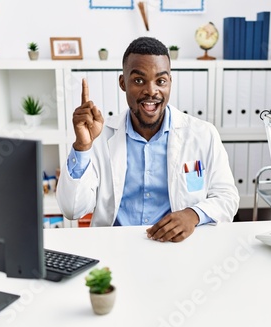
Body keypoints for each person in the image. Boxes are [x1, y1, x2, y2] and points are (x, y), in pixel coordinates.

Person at [56, 36, 239, 242]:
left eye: (160, 81)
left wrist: (193, 214)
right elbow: (72, 210)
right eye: (139, 80)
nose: (151, 91)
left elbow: (227, 198)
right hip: (115, 246)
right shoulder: (99, 136)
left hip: (176, 246)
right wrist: (82, 146)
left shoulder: (203, 134)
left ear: (170, 82)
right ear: (123, 83)